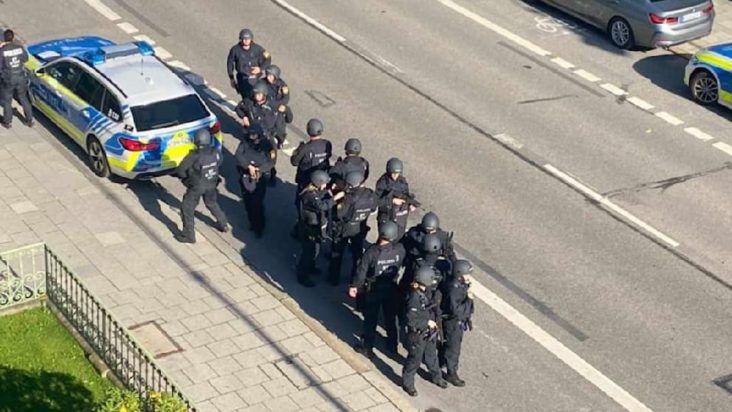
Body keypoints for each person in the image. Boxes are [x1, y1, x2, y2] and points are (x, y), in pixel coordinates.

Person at [348, 221, 404, 358]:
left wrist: (355, 286)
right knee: (391, 317)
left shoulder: (372, 252)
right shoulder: (400, 249)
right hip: (391, 287)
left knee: (371, 318)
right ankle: (392, 344)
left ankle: (367, 347)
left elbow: (361, 271)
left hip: (374, 289)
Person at [175, 130, 228, 243]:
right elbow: (220, 161)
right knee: (211, 203)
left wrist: (187, 179)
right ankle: (223, 224)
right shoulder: (215, 152)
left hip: (197, 185)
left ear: (197, 141)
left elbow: (181, 170)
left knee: (187, 207)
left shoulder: (194, 155)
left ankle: (189, 235)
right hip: (212, 182)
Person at [402, 265, 448, 396]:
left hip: (429, 333)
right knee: (414, 360)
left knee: (431, 356)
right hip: (418, 334)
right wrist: (427, 322)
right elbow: (411, 320)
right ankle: (408, 383)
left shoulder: (426, 292)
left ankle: (437, 377)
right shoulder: (414, 298)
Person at [328, 171, 377, 286]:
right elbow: (373, 209)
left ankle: (333, 278)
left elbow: (340, 214)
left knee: (337, 253)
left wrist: (337, 202)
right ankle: (354, 277)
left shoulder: (350, 198)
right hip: (360, 228)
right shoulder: (371, 195)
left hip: (345, 228)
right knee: (357, 254)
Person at [297, 170, 343, 287]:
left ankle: (311, 267)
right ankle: (302, 276)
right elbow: (321, 206)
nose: (325, 185)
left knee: (315, 250)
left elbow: (321, 195)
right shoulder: (309, 195)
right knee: (308, 253)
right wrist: (335, 198)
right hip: (309, 229)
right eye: (324, 183)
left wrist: (329, 191)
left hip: (314, 228)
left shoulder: (314, 192)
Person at [235, 125, 275, 237]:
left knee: (257, 203)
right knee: (247, 202)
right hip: (245, 176)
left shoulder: (267, 144)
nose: (252, 137)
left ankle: (259, 227)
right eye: (250, 135)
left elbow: (271, 162)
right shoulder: (245, 142)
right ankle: (252, 222)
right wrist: (248, 166)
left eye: (254, 135)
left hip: (259, 178)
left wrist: (259, 169)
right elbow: (238, 155)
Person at [440, 260, 475, 387]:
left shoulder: (460, 284)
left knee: (450, 344)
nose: (469, 277)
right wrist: (469, 299)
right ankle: (451, 373)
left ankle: (441, 361)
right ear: (459, 274)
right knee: (453, 347)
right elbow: (456, 311)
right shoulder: (454, 289)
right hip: (453, 322)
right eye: (467, 274)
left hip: (455, 321)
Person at [375, 158, 418, 239]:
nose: (395, 175)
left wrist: (410, 204)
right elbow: (377, 201)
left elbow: (406, 195)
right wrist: (392, 200)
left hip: (399, 217)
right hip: (386, 216)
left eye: (397, 173)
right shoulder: (382, 183)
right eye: (393, 173)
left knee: (399, 238)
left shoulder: (402, 182)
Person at [0, 30, 33, 128]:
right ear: (13, 37)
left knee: (7, 100)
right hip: (20, 76)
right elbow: (26, 59)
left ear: (4, 38)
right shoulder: (19, 48)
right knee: (23, 97)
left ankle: (7, 122)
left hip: (8, 78)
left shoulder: (2, 51)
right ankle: (29, 120)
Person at [291, 118, 332, 194]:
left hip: (306, 179)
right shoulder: (327, 144)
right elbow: (328, 156)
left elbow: (294, 162)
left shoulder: (305, 148)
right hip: (322, 178)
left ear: (308, 131)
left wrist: (297, 150)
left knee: (301, 197)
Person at [227, 28, 271, 99]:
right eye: (243, 39)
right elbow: (230, 63)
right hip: (242, 78)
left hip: (255, 77)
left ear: (251, 39)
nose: (246, 41)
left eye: (248, 39)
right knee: (246, 98)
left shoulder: (257, 48)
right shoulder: (235, 50)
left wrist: (260, 69)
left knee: (257, 96)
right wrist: (231, 78)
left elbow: (268, 58)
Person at [264, 65, 292, 150]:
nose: (268, 77)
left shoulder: (282, 86)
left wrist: (281, 105)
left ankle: (280, 141)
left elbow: (286, 98)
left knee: (280, 130)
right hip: (268, 109)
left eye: (271, 76)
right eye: (268, 75)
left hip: (278, 110)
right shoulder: (263, 83)